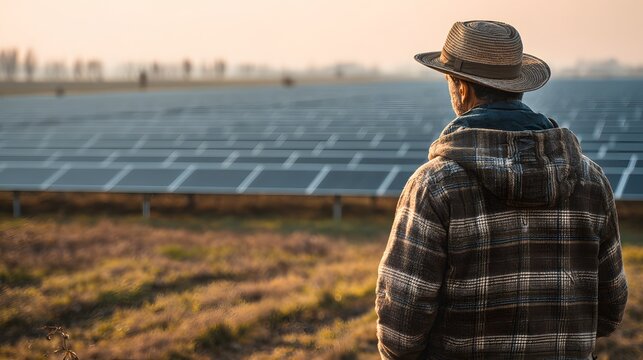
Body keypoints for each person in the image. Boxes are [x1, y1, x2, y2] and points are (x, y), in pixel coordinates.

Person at [375, 20, 628, 359]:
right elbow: (610, 311)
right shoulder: (591, 181)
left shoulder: (434, 186)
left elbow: (400, 333)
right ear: (517, 85)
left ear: (462, 88)